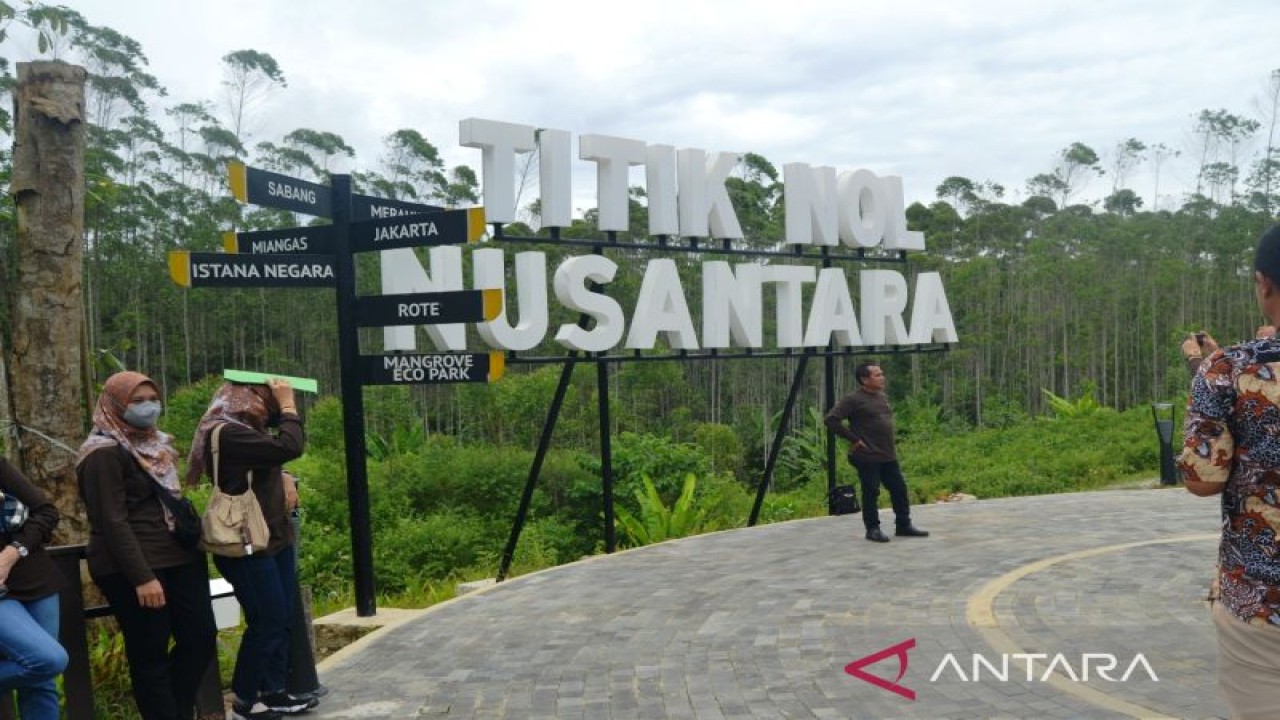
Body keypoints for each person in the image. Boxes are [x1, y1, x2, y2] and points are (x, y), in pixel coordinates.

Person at [1178, 224, 1280, 720]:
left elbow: (1203, 480)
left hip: (1263, 602)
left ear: (1263, 284)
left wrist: (1205, 373)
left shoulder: (1228, 369)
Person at [76, 370, 217, 720]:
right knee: (150, 652)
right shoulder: (102, 453)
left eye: (152, 399)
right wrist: (141, 577)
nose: (147, 407)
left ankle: (176, 710)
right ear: (115, 405)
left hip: (180, 556)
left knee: (200, 637)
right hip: (135, 566)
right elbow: (111, 520)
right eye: (136, 401)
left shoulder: (158, 445)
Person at [186, 378, 314, 720]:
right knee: (268, 620)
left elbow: (276, 454)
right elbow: (289, 446)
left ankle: (273, 691)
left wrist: (283, 474)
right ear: (242, 398)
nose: (269, 408)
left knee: (281, 618)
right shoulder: (228, 431)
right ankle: (245, 698)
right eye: (264, 399)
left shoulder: (246, 429)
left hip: (272, 538)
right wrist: (288, 405)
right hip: (247, 545)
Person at [823, 361, 929, 543]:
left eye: (882, 374)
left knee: (899, 489)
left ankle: (903, 525)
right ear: (864, 379)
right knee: (871, 492)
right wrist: (854, 439)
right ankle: (872, 529)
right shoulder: (853, 399)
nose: (882, 377)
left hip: (887, 455)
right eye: (877, 375)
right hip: (867, 456)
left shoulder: (881, 396)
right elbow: (831, 420)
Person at [0, 455, 66, 720]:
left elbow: (46, 511)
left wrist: (13, 552)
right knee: (48, 660)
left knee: (42, 684)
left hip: (36, 580)